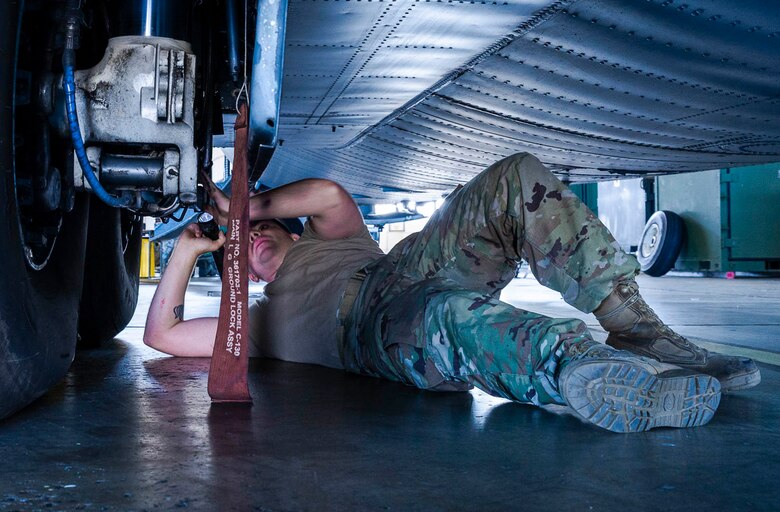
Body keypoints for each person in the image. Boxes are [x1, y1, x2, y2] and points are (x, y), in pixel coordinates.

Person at [144, 153, 759, 433]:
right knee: (447, 319)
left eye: (258, 230)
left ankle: (635, 326)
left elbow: (328, 194)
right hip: (372, 328)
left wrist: (242, 206)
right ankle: (590, 374)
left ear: (281, 227)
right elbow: (163, 334)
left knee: (515, 177)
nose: (246, 241)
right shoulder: (253, 322)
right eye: (237, 247)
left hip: (411, 264)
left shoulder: (332, 236)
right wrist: (188, 249)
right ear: (244, 276)